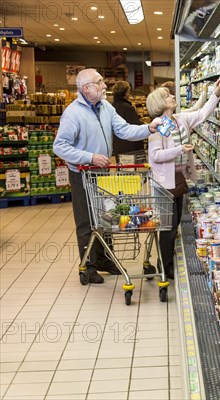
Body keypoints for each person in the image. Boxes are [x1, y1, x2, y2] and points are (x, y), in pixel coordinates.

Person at [54, 68, 162, 284]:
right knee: (86, 222)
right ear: (86, 88)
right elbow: (60, 146)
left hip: (103, 173)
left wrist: (149, 128)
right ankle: (88, 265)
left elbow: (124, 130)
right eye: (99, 82)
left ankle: (104, 259)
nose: (105, 86)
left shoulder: (106, 107)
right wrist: (89, 157)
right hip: (83, 174)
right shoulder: (73, 114)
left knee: (107, 216)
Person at [146, 78, 220, 279]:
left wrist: (214, 94)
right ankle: (165, 265)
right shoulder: (159, 126)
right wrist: (179, 149)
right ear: (160, 104)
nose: (173, 96)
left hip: (178, 179)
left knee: (176, 221)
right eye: (167, 96)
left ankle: (166, 260)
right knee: (168, 226)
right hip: (164, 183)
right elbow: (155, 156)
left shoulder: (180, 120)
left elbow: (202, 113)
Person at [111, 81, 145, 156]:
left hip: (118, 145)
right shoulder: (127, 108)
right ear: (126, 93)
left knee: (122, 166)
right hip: (131, 147)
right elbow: (136, 126)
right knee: (132, 167)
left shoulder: (111, 107)